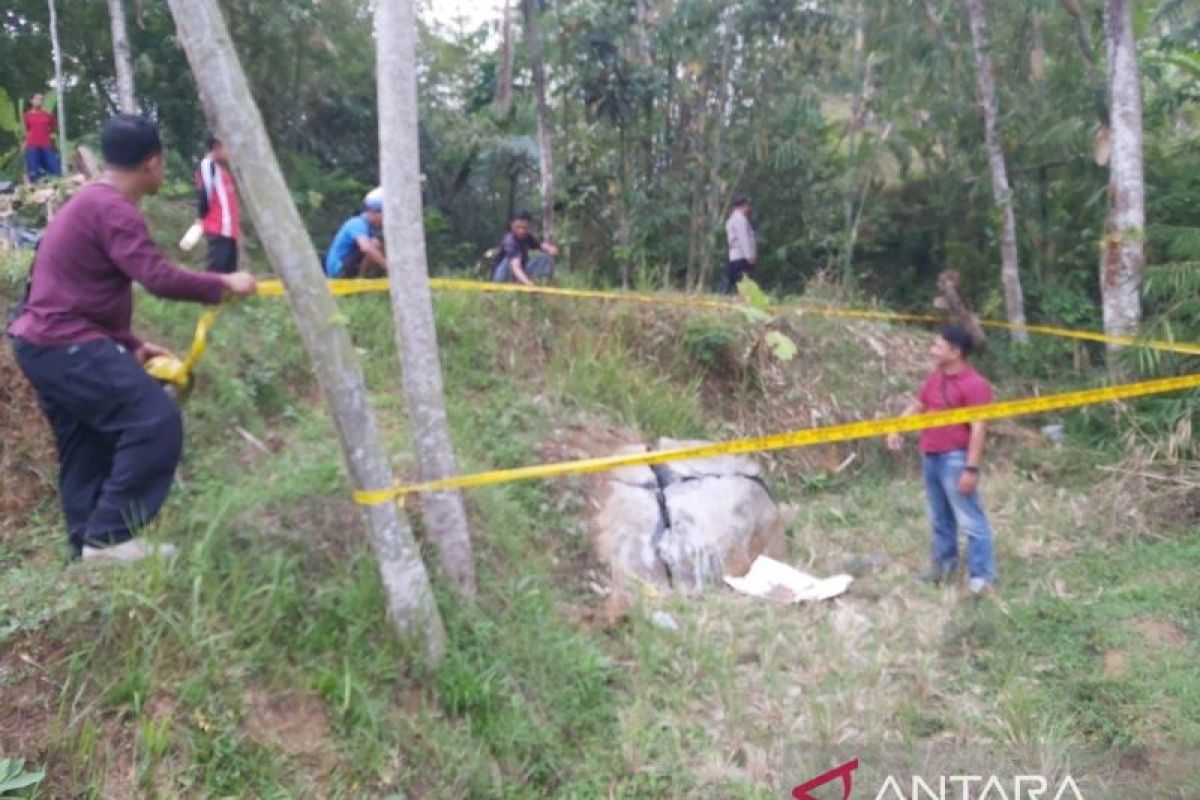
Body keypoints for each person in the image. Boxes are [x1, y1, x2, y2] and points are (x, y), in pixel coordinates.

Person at [8, 114, 257, 562]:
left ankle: (87, 550)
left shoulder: (90, 203)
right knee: (153, 421)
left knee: (86, 446)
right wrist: (224, 284)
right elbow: (156, 277)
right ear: (153, 163)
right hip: (64, 341)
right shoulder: (113, 209)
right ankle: (109, 539)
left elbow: (80, 289)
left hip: (42, 342)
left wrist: (130, 343)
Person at [886, 324, 997, 594]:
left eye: (937, 346)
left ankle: (982, 577)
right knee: (940, 517)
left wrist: (971, 468)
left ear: (955, 352)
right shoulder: (936, 377)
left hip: (955, 459)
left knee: (971, 520)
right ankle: (944, 568)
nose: (932, 350)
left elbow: (979, 428)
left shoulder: (975, 386)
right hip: (931, 456)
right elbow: (919, 404)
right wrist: (896, 427)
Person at [194, 135, 241, 274]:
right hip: (218, 228)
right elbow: (204, 193)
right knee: (217, 275)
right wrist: (202, 216)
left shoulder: (222, 170)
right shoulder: (207, 165)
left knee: (230, 276)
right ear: (216, 148)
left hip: (229, 231)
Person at [324, 188, 387, 278]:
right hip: (339, 269)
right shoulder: (357, 223)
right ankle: (360, 279)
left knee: (378, 244)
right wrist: (388, 267)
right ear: (373, 213)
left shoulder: (371, 229)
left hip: (350, 265)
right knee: (374, 245)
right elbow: (366, 248)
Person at [491, 210, 558, 286]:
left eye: (525, 228)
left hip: (520, 271)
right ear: (511, 225)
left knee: (545, 258)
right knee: (509, 260)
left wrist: (550, 248)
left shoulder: (527, 237)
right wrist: (528, 284)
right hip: (502, 276)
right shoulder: (510, 241)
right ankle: (522, 283)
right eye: (518, 227)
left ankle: (541, 283)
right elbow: (515, 266)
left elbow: (540, 245)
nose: (521, 231)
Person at [23, 93, 61, 182]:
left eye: (41, 100)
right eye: (37, 99)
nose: (39, 101)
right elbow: (24, 131)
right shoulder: (26, 116)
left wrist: (52, 135)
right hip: (32, 146)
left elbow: (54, 127)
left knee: (56, 170)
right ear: (31, 101)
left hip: (46, 145)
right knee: (33, 173)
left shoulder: (47, 115)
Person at [723, 194, 756, 294]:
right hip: (741, 255)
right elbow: (743, 239)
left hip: (736, 255)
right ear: (743, 206)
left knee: (733, 279)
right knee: (741, 280)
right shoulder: (740, 220)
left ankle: (727, 296)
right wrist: (749, 255)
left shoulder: (733, 218)